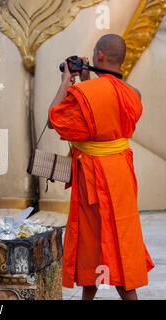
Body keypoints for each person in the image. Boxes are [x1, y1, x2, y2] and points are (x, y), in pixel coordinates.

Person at [48, 34, 154, 300]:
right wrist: (86, 81)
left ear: (100, 56)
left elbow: (55, 119)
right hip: (121, 174)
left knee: (93, 241)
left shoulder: (85, 92)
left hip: (94, 178)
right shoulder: (133, 94)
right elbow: (104, 111)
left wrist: (66, 82)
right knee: (121, 238)